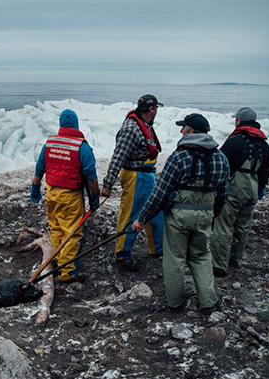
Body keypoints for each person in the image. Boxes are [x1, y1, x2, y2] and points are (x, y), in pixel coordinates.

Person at [131, 113, 230, 312]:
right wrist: (212, 215)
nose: (181, 130)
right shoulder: (221, 158)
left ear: (191, 131)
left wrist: (142, 219)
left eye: (183, 127)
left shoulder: (179, 157)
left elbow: (160, 193)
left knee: (175, 258)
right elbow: (223, 194)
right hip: (205, 215)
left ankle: (175, 302)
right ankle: (208, 301)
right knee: (201, 256)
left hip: (178, 216)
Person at [30, 109, 100, 283]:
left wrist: (35, 188)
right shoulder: (80, 146)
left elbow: (40, 168)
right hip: (70, 196)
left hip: (52, 192)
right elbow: (90, 174)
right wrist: (95, 195)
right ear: (76, 124)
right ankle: (68, 272)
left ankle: (58, 260)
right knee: (73, 233)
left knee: (56, 228)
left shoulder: (50, 143)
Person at [101, 94, 164, 271]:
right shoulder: (131, 128)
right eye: (156, 108)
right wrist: (108, 184)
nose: (157, 111)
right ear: (151, 109)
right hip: (136, 176)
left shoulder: (144, 125)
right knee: (131, 215)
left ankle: (158, 249)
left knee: (156, 212)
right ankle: (122, 254)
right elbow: (118, 157)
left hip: (147, 175)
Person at [210, 107, 269, 277]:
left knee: (224, 226)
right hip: (253, 187)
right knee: (243, 226)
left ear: (238, 121)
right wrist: (261, 188)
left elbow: (221, 162)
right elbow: (266, 169)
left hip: (234, 187)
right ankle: (235, 260)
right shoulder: (264, 144)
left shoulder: (235, 141)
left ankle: (219, 265)